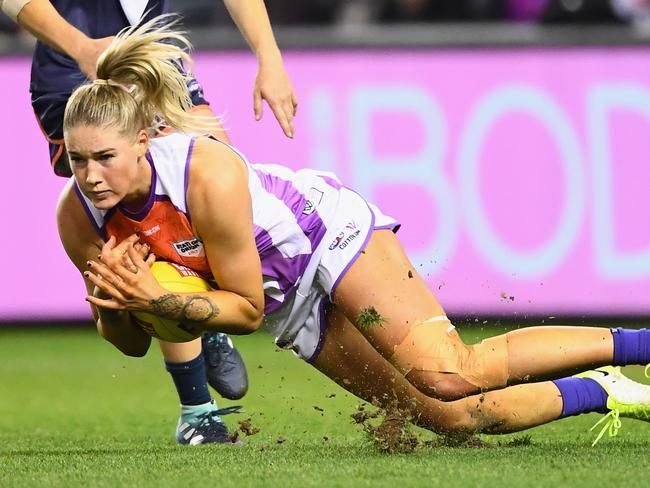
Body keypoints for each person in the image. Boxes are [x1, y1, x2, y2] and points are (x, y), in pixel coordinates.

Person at [57, 17, 650, 446]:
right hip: (293, 303)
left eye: (103, 157)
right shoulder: (77, 215)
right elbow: (133, 344)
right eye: (78, 162)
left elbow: (246, 310)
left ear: (142, 140)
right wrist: (116, 304)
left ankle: (641, 344)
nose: (91, 176)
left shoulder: (201, 173)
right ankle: (609, 390)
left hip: (326, 239)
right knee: (455, 419)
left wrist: (159, 299)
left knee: (449, 373)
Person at [4, 0, 297, 445]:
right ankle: (196, 410)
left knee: (209, 161)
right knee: (140, 221)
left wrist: (269, 56)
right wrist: (78, 46)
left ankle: (196, 304)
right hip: (73, 61)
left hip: (150, 48)